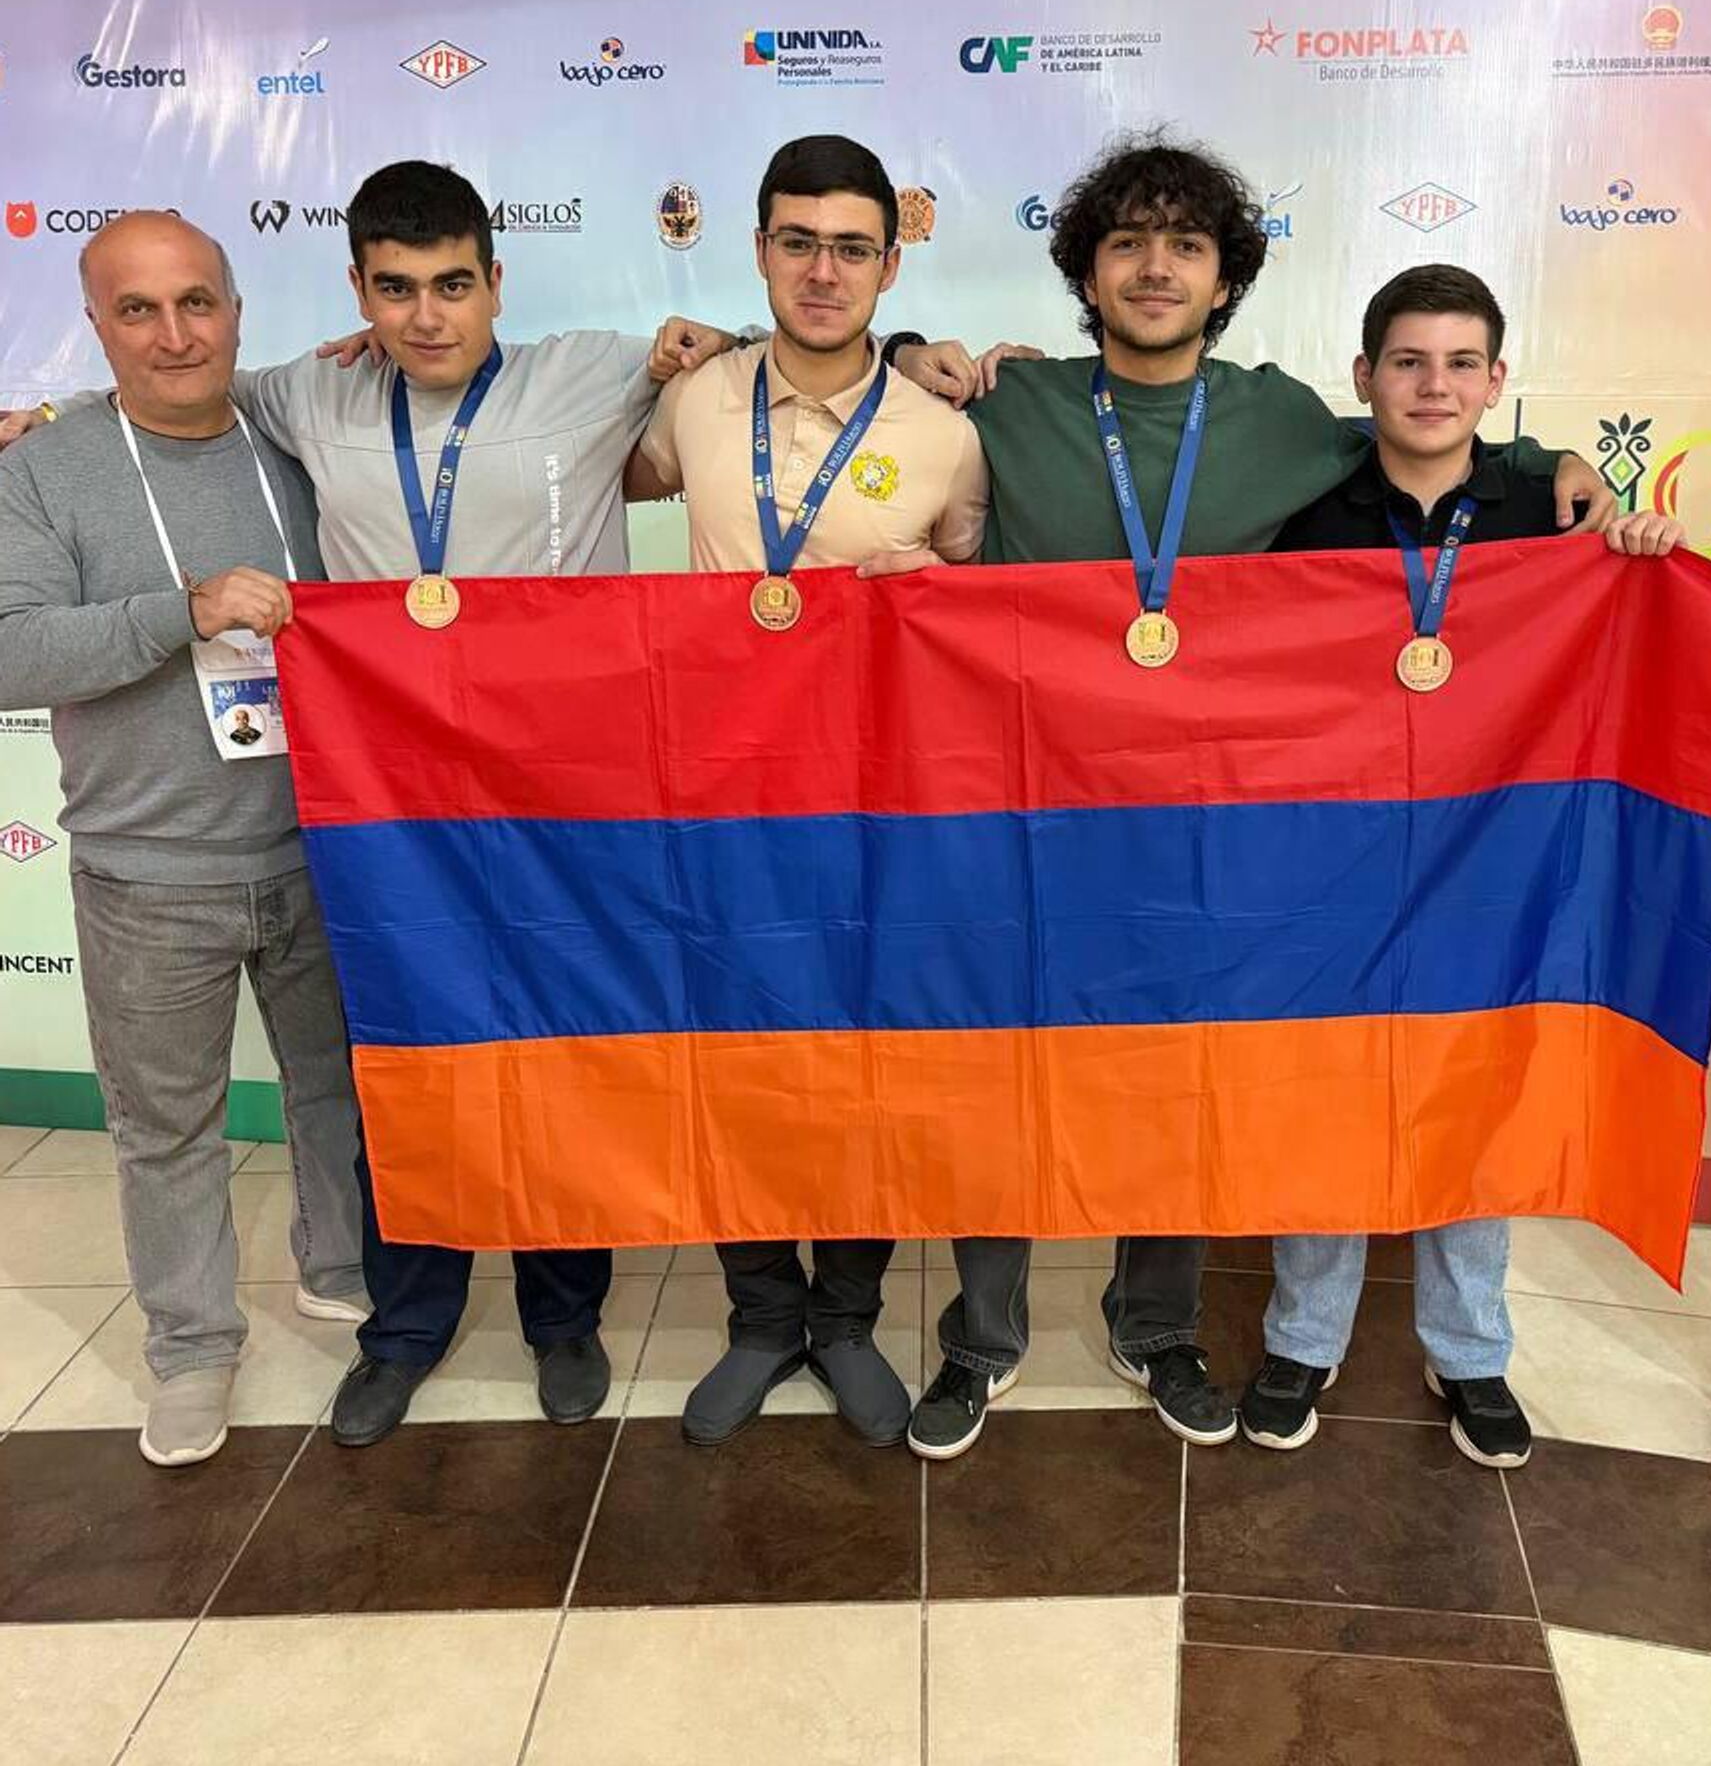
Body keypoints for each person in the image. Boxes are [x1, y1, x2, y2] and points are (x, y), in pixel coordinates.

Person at [856, 136, 1619, 1462]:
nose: (1156, 267)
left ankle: (1157, 1326)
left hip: (1204, 829)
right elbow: (837, 376)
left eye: (1187, 245)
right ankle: (981, 1340)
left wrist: (1560, 460)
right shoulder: (1010, 405)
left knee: (1177, 1076)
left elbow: (1422, 437)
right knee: (1001, 1073)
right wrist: (904, 349)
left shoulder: (1280, 420)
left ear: (1225, 280)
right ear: (1086, 270)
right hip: (1024, 813)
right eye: (1128, 242)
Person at [0, 161, 744, 1444]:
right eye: (395, 290)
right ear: (355, 292)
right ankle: (401, 1327)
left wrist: (910, 352)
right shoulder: (310, 395)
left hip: (559, 812)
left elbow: (758, 370)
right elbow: (173, 396)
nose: (426, 315)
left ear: (496, 281)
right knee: (406, 1075)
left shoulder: (600, 369)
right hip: (388, 821)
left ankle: (563, 1316)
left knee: (556, 1065)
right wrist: (53, 415)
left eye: (453, 284)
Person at [1248, 263, 1711, 1469]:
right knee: (1325, 1086)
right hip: (1332, 857)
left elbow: (1656, 624)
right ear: (1363, 377)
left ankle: (1469, 1351)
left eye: (1462, 363)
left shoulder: (1553, 512)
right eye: (1409, 362)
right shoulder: (1305, 513)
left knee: (1477, 1087)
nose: (1434, 385)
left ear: (1498, 379)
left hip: (1492, 858)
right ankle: (1304, 1337)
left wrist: (1678, 556)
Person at [624, 136, 988, 1447]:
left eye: (851, 248)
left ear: (892, 265)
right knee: (731, 1055)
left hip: (878, 812)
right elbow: (585, 473)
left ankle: (845, 1315)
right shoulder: (693, 401)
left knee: (866, 1062)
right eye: (798, 242)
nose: (823, 272)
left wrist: (931, 596)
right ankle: (761, 1312)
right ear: (760, 251)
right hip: (719, 795)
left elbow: (976, 607)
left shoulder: (946, 436)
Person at [0, 212, 365, 1466]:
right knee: (166, 1130)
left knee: (339, 1087)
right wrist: (179, 611)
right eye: (138, 310)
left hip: (323, 845)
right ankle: (193, 1346)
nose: (174, 335)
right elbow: (11, 651)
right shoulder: (45, 468)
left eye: (196, 302)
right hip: (148, 871)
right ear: (95, 325)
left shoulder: (296, 437)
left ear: (236, 312)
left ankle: (344, 1267)